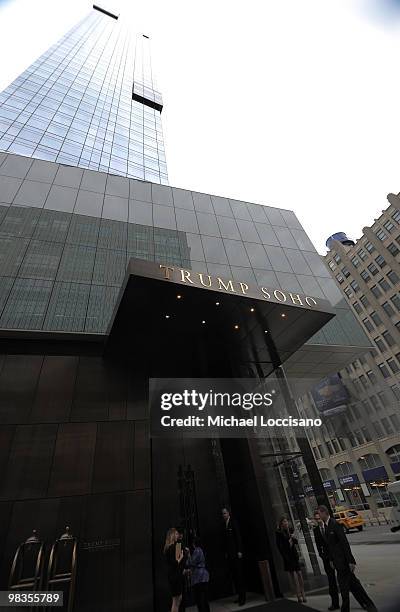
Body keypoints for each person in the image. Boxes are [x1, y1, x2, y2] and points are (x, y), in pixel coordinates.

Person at [316, 505, 377, 612]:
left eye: (319, 513)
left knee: (344, 589)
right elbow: (330, 546)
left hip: (343, 562)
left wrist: (350, 561)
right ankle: (368, 605)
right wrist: (331, 560)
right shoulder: (326, 527)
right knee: (355, 586)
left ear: (324, 512)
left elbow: (344, 543)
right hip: (337, 563)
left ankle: (350, 608)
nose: (318, 516)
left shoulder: (335, 524)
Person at [313, 509, 340, 611]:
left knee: (346, 579)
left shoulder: (330, 525)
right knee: (331, 581)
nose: (318, 520)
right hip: (327, 559)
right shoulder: (316, 530)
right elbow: (318, 544)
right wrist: (322, 555)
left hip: (336, 557)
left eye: (319, 518)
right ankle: (335, 603)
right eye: (316, 519)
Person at [275, 515, 306, 603]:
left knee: (299, 574)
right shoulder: (279, 533)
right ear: (281, 524)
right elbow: (280, 547)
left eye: (287, 521)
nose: (286, 523)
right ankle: (298, 595)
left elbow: (296, 542)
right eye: (284, 522)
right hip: (288, 556)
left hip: (294, 555)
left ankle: (303, 593)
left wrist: (294, 538)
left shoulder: (290, 530)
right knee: (294, 576)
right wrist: (288, 543)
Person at [222, 507, 246, 606]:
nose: (223, 515)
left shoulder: (233, 522)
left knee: (239, 576)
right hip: (230, 555)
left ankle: (243, 598)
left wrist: (240, 550)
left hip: (236, 554)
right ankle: (239, 596)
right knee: (235, 577)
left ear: (228, 513)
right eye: (222, 514)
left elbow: (238, 537)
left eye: (224, 513)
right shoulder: (224, 525)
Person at [186, 536, 210, 612]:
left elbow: (190, 562)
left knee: (200, 600)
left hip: (198, 577)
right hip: (204, 576)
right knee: (204, 599)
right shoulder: (201, 550)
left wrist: (188, 554)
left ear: (194, 544)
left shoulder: (197, 551)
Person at [164, 527, 185, 612]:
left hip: (173, 575)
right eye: (176, 534)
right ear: (172, 535)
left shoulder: (168, 547)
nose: (178, 535)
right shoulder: (173, 547)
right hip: (175, 575)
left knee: (177, 599)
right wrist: (181, 558)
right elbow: (175, 562)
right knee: (176, 601)